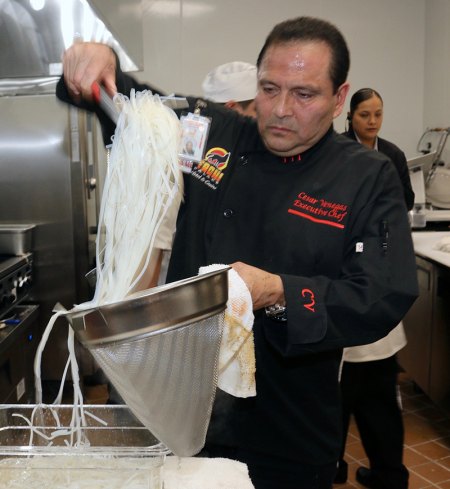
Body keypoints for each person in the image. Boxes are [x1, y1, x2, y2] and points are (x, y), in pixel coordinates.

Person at [56, 16, 419, 489]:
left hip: (290, 424)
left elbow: (383, 293)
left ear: (338, 98)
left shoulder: (367, 176)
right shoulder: (215, 134)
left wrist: (279, 291)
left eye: (304, 94)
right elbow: (132, 105)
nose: (281, 109)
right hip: (185, 411)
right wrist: (100, 62)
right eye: (269, 88)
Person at [335, 88, 415, 489]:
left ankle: (386, 473)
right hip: (343, 302)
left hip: (369, 296)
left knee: (372, 397)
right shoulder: (339, 154)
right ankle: (339, 468)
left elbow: (401, 210)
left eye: (378, 114)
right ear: (348, 115)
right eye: (364, 114)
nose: (372, 120)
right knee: (345, 398)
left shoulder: (389, 157)